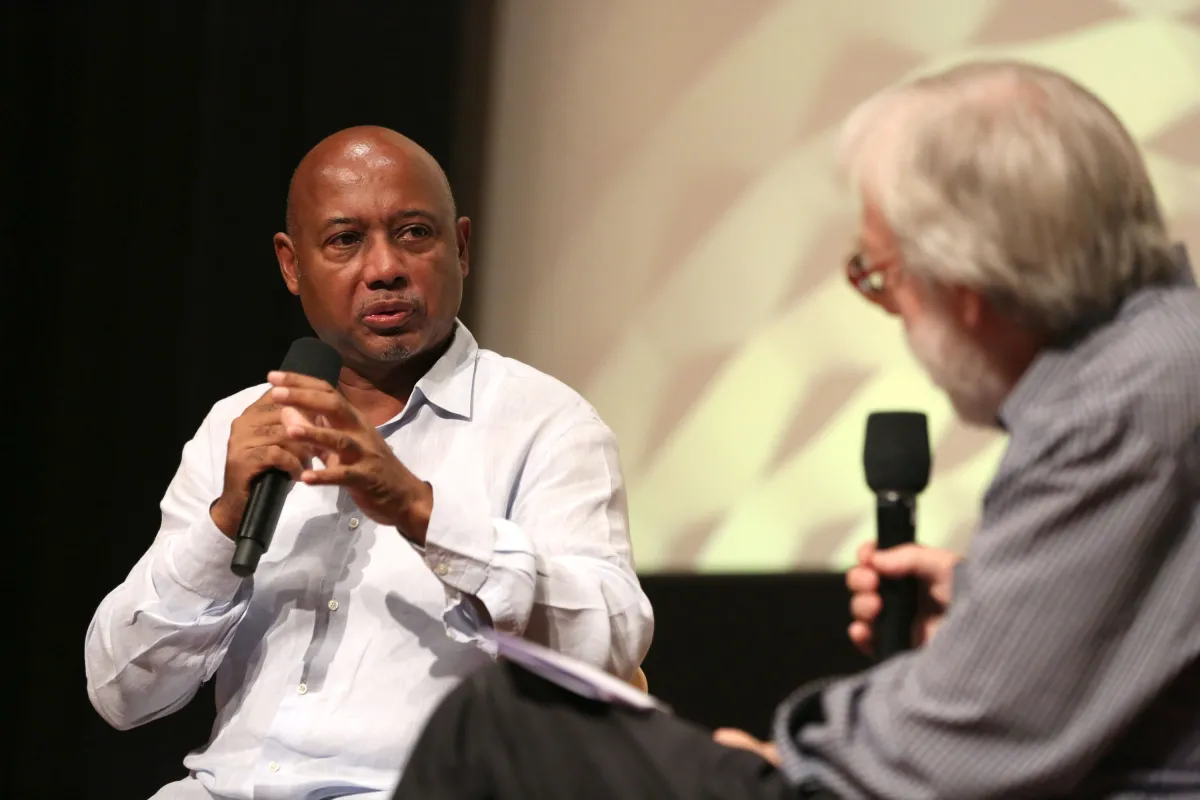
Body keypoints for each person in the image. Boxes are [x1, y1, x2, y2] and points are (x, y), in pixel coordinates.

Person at [390, 60, 1200, 799]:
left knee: (494, 729)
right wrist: (997, 613)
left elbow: (951, 749)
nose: (893, 315)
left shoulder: (1119, 408)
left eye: (882, 278)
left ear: (969, 284)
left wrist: (782, 761)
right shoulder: (1157, 362)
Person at [84, 126, 654, 800]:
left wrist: (421, 511)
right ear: (292, 266)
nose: (384, 267)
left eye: (414, 233)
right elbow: (122, 692)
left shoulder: (546, 424)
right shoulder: (238, 429)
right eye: (345, 240)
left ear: (462, 248)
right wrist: (221, 524)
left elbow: (614, 640)